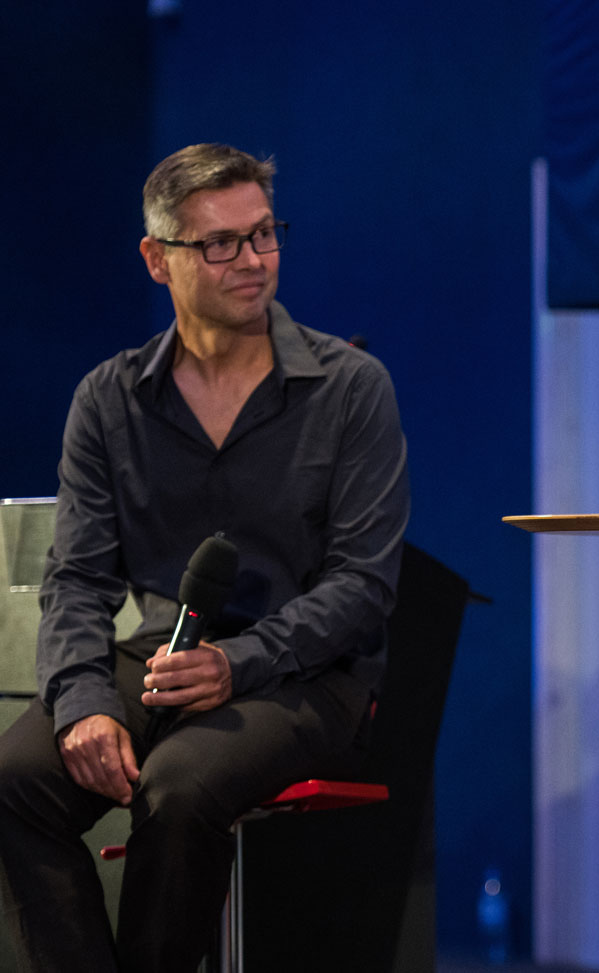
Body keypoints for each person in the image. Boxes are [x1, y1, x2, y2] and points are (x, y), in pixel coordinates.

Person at [0, 143, 410, 973]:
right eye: (221, 243)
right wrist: (81, 701)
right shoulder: (108, 399)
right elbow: (78, 579)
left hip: (310, 676)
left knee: (180, 784)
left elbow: (364, 586)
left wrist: (239, 660)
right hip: (164, 654)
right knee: (14, 779)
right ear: (159, 259)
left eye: (264, 234)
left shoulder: (351, 387)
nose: (253, 261)